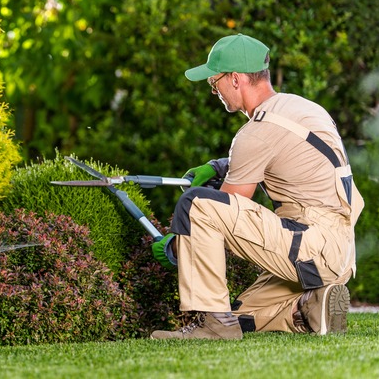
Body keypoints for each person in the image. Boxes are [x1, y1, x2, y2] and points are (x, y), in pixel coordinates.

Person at [150, 33, 364, 340]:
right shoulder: (300, 108)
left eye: (215, 81)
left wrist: (174, 245)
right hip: (337, 251)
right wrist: (221, 165)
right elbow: (288, 158)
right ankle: (307, 307)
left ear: (235, 79)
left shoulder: (256, 131)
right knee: (237, 313)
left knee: (196, 204)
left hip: (311, 247)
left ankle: (214, 327)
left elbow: (225, 212)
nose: (214, 90)